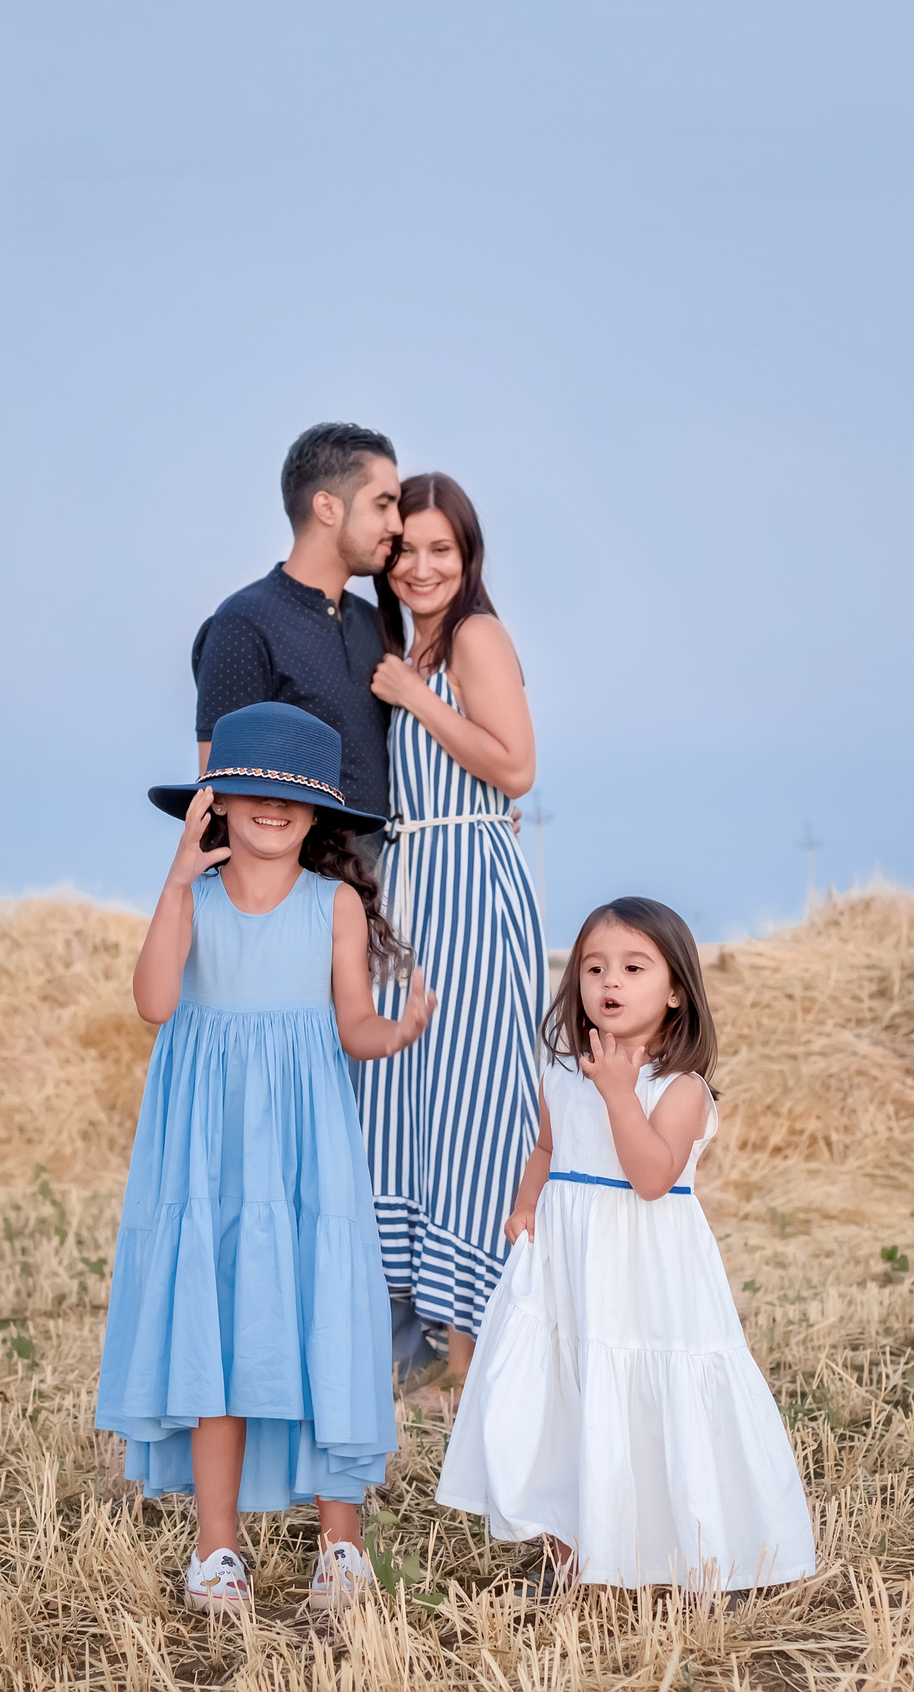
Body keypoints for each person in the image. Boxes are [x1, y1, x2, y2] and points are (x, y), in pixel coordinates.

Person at [95, 701, 439, 1617]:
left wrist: (397, 1031)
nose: (273, 805)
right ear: (216, 800)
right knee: (219, 1325)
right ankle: (217, 1552)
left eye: (293, 793)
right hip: (206, 1150)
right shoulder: (194, 899)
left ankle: (341, 1549)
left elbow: (353, 1023)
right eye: (251, 788)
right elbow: (154, 1002)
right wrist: (177, 879)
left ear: (319, 809)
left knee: (318, 1316)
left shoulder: (336, 904)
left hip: (304, 1147)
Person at [436, 897, 817, 1594]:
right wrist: (526, 1205)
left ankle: (692, 1556)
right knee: (565, 1399)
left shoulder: (680, 1089)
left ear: (675, 991)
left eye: (634, 967)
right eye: (594, 967)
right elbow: (547, 1149)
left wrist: (619, 1094)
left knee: (646, 1400)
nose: (609, 980)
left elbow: (650, 1177)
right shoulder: (560, 1075)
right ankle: (573, 1557)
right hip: (570, 1271)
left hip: (646, 1278)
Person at [358, 473, 544, 1396]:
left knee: (475, 1111)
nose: (422, 566)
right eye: (407, 549)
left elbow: (517, 767)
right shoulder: (405, 642)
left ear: (468, 555)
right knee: (411, 1103)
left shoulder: (474, 635)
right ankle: (428, 1355)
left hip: (470, 884)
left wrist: (416, 697)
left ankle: (477, 1363)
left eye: (443, 549)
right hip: (413, 892)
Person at [192, 423, 404, 839]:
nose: (397, 524)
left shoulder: (376, 625)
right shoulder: (243, 623)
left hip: (392, 873)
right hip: (301, 878)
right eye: (382, 504)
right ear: (327, 507)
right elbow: (218, 800)